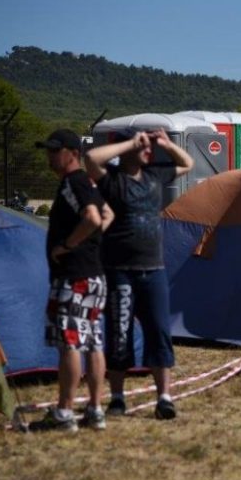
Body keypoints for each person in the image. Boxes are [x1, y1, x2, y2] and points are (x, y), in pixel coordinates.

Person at [85, 128, 194, 420]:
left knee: (159, 331)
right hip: (120, 271)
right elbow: (91, 158)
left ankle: (164, 397)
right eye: (144, 147)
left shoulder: (155, 175)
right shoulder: (112, 180)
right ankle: (117, 398)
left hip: (153, 269)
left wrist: (167, 144)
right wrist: (130, 143)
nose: (148, 151)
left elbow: (187, 164)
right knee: (119, 334)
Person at [29, 128, 114, 432]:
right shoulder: (86, 182)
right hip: (94, 275)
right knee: (92, 341)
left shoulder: (73, 182)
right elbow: (108, 215)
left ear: (72, 153)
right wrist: (91, 242)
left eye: (55, 150)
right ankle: (94, 409)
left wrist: (68, 245)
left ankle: (65, 412)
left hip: (74, 276)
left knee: (70, 343)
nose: (50, 156)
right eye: (48, 150)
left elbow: (93, 217)